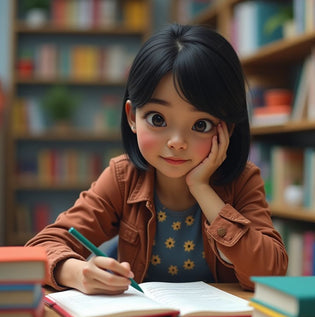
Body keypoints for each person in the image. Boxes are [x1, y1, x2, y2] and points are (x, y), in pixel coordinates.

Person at [26, 23, 288, 295]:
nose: (177, 142)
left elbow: (270, 273)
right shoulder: (122, 177)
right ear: (132, 117)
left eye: (201, 125)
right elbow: (41, 247)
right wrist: (78, 272)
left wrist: (202, 189)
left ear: (228, 129)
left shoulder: (243, 180)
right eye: (157, 119)